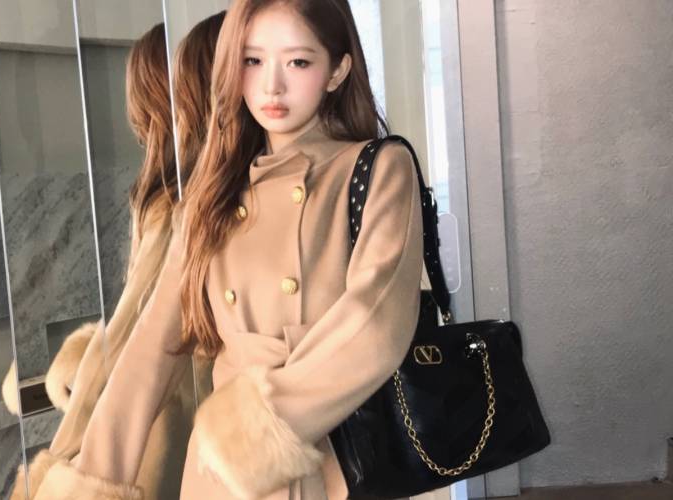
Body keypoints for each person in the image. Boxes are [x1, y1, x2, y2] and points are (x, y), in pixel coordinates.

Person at [33, 0, 423, 498]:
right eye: (252, 60)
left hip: (328, 461)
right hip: (219, 477)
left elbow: (377, 323)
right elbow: (152, 350)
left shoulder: (377, 168)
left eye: (298, 61)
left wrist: (254, 433)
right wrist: (92, 479)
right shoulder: (212, 194)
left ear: (337, 70)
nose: (272, 86)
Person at [6, 13, 226, 500]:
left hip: (167, 424)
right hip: (184, 418)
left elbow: (135, 329)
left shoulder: (178, 203)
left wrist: (67, 456)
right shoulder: (187, 197)